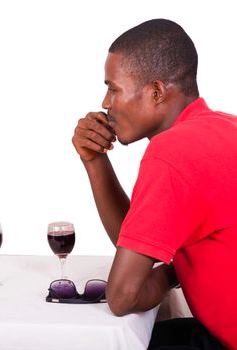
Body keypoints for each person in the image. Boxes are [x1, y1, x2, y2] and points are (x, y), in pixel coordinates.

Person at [72, 19, 236, 349]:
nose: (105, 103)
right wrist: (95, 160)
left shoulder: (172, 151)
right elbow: (136, 244)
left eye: (113, 88)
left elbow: (122, 296)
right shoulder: (225, 127)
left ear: (157, 92)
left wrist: (168, 274)